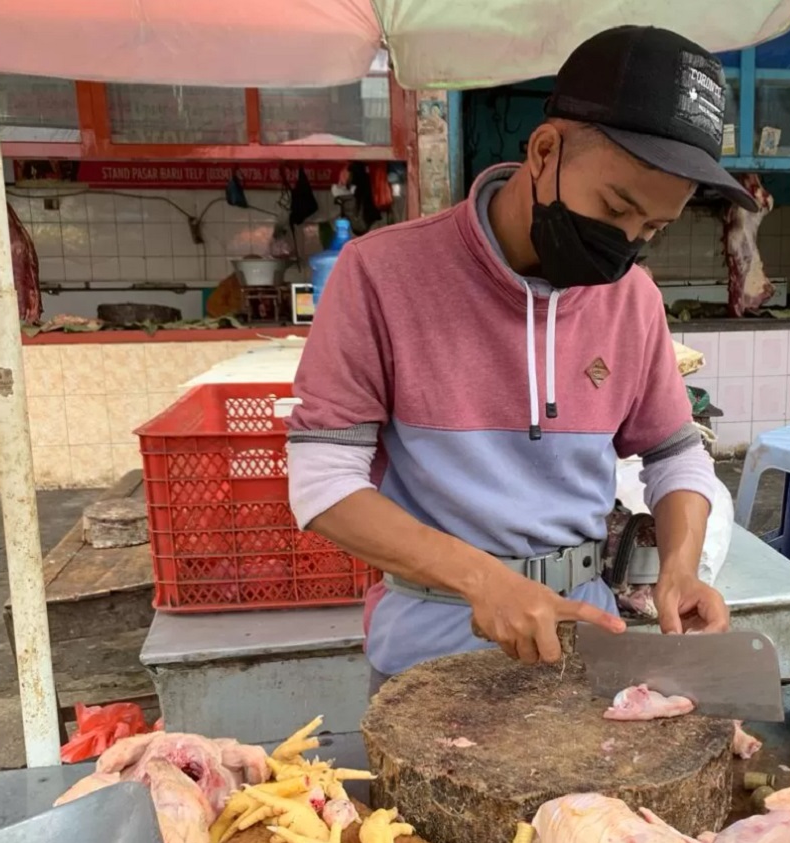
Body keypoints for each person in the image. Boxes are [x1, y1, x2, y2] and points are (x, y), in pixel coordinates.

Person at [286, 25, 757, 695]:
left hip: (586, 646)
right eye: (616, 206)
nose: (624, 244)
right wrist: (485, 581)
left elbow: (675, 454)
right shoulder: (382, 275)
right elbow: (322, 483)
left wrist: (682, 568)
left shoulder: (633, 300)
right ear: (544, 151)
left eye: (651, 229)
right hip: (427, 654)